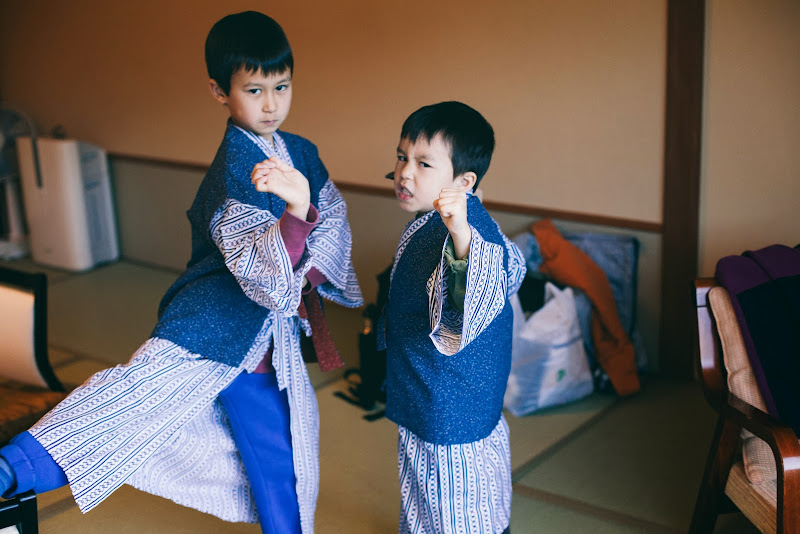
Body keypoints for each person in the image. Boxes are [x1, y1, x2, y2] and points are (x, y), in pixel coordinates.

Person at [0, 11, 362, 534]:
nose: (271, 104)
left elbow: (333, 221)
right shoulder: (233, 169)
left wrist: (305, 254)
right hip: (208, 325)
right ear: (220, 92)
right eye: (254, 90)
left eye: (281, 87)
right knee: (125, 408)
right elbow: (263, 273)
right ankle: (11, 469)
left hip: (266, 345)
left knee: (280, 464)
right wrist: (296, 214)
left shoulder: (300, 151)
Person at [381, 101, 526, 534]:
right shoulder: (444, 220)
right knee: (436, 498)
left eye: (424, 163)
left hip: (448, 400)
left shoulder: (464, 233)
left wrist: (461, 237)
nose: (405, 173)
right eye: (402, 157)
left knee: (453, 506)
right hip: (438, 389)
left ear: (465, 182)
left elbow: (465, 305)